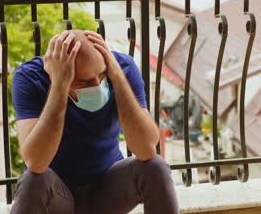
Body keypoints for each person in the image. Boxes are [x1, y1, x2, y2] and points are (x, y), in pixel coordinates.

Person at [10, 29, 179, 214]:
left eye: (101, 76)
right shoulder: (30, 77)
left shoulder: (122, 67)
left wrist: (116, 76)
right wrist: (59, 85)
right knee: (32, 180)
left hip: (108, 190)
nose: (97, 86)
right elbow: (35, 161)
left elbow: (146, 149)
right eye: (84, 83)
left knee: (156, 167)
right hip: (59, 196)